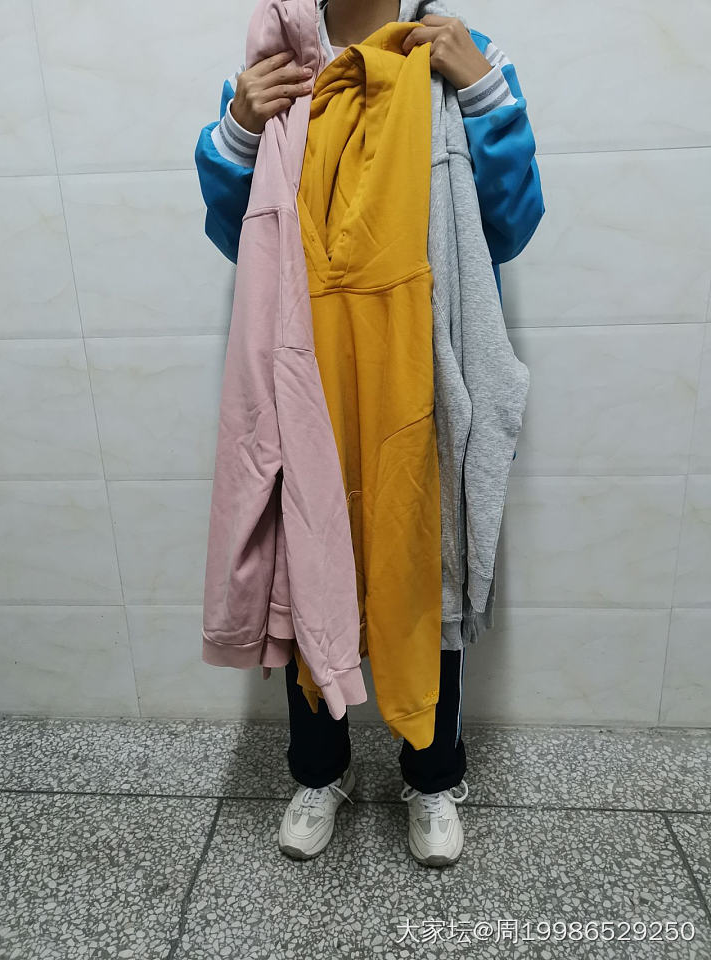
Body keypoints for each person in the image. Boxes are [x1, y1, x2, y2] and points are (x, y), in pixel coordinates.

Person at [194, 0, 544, 867]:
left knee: (428, 561)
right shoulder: (280, 63)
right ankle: (320, 770)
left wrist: (485, 93)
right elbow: (239, 233)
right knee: (306, 552)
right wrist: (239, 128)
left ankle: (433, 776)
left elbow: (512, 223)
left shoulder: (460, 51)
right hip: (307, 355)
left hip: (424, 356)